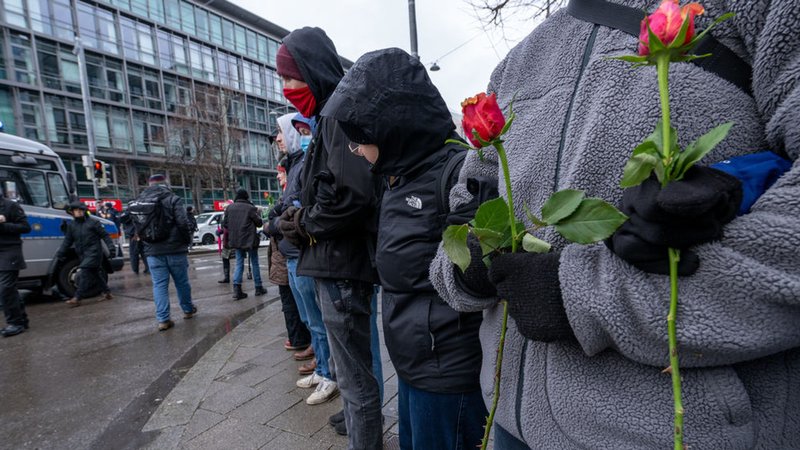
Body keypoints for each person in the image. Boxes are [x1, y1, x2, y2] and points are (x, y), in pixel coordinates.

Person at [429, 2, 800, 448]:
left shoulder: (759, 10)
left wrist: (584, 296)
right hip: (508, 421)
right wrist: (463, 266)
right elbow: (470, 199)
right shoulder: (520, 59)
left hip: (664, 432)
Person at [323, 47, 487, 450]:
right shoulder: (398, 177)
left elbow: (477, 274)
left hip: (448, 374)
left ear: (391, 127)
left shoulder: (456, 172)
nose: (357, 150)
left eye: (361, 138)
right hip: (413, 366)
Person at [275, 27, 384, 448]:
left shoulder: (338, 117)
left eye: (290, 77)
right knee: (354, 375)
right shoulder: (329, 117)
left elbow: (350, 194)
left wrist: (304, 222)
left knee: (355, 380)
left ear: (312, 70)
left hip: (341, 264)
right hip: (336, 261)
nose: (286, 88)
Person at [269, 112, 338, 405]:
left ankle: (328, 374)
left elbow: (297, 207)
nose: (278, 138)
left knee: (318, 322)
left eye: (283, 132)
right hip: (294, 253)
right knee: (311, 320)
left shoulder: (304, 163)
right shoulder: (296, 164)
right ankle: (323, 370)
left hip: (301, 253)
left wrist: (278, 221)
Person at [135, 174, 197, 331]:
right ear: (166, 184)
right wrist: (186, 241)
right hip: (175, 249)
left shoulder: (141, 201)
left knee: (159, 285)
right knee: (182, 282)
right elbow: (182, 223)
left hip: (153, 251)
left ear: (150, 185)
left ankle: (163, 319)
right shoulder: (173, 199)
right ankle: (187, 310)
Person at [268, 157, 312, 355]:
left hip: (296, 256)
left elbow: (285, 223)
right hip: (289, 256)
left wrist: (274, 224)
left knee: (310, 315)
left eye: (281, 173)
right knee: (305, 314)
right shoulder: (284, 198)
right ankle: (313, 350)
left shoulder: (293, 194)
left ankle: (310, 348)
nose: (278, 176)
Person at [56, 202, 115, 307]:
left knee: (84, 271)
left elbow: (105, 236)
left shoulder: (93, 222)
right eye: (76, 210)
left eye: (81, 210)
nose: (79, 212)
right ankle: (107, 293)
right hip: (82, 254)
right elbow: (67, 241)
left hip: (94, 253)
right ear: (72, 212)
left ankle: (77, 297)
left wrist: (111, 248)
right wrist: (61, 253)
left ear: (84, 211)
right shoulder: (72, 225)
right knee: (95, 274)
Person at [222, 189, 265, 300]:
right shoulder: (250, 208)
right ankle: (258, 287)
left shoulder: (230, 208)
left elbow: (225, 224)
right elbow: (259, 223)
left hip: (236, 240)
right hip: (250, 240)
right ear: (246, 197)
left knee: (239, 263)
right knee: (254, 262)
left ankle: (237, 289)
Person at [0, 193, 31, 337]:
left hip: (9, 250)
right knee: (9, 288)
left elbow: (25, 227)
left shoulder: (10, 205)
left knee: (5, 288)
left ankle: (15, 323)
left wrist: (3, 225)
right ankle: (22, 320)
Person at [120, 208, 148, 274]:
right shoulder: (140, 209)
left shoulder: (128, 212)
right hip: (142, 233)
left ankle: (136, 269)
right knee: (144, 251)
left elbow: (121, 219)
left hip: (134, 235)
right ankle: (147, 268)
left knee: (134, 253)